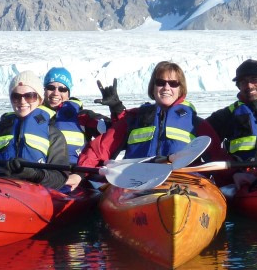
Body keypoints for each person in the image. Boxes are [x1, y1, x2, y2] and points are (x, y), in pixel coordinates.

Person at [76, 61, 233, 181]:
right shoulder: (133, 120)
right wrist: (80, 174)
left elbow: (218, 157)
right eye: (160, 82)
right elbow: (99, 148)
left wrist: (232, 183)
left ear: (180, 89)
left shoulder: (196, 123)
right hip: (136, 181)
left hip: (184, 181)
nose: (166, 87)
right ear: (153, 87)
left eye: (173, 83)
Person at [0, 70, 70, 189]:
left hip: (32, 194)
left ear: (40, 99)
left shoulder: (53, 135)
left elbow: (59, 177)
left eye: (29, 96)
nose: (22, 101)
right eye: (16, 96)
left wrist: (33, 174)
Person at [206, 59, 257, 162]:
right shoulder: (227, 115)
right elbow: (200, 136)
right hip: (240, 174)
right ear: (238, 86)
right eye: (243, 82)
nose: (249, 85)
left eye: (254, 79)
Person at [41, 66, 110, 163]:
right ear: (44, 90)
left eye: (62, 89)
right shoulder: (32, 115)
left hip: (75, 174)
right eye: (51, 87)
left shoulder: (82, 117)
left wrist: (116, 108)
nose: (56, 93)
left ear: (68, 94)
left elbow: (113, 131)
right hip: (41, 174)